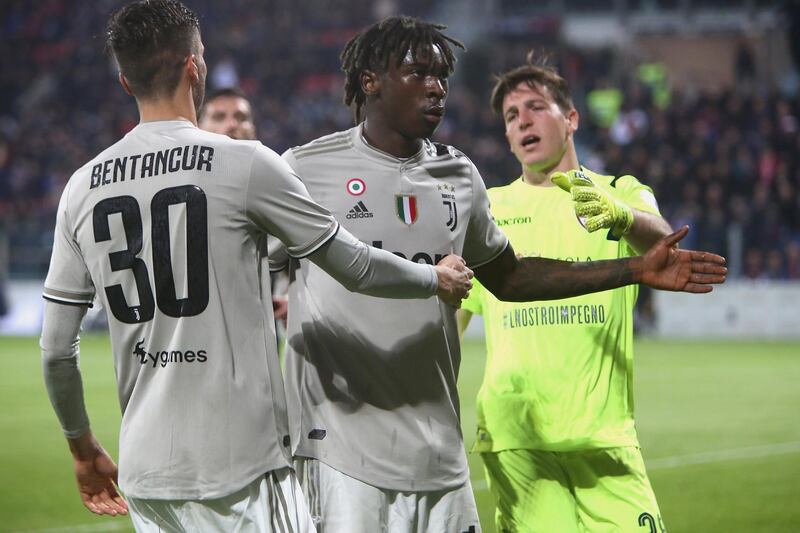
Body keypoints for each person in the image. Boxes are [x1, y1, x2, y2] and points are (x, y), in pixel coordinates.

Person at [276, 16, 726, 533]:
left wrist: (634, 268)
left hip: (438, 454)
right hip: (338, 452)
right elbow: (255, 273)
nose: (437, 88)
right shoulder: (305, 170)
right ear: (370, 81)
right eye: (419, 73)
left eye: (442, 75)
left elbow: (510, 279)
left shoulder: (459, 175)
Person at [39, 2, 472, 531]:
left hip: (148, 471)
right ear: (194, 67)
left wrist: (82, 449)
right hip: (243, 468)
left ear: (126, 81)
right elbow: (354, 265)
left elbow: (57, 351)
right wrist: (435, 277)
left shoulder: (81, 187)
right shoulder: (244, 164)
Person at [457, 55, 671, 532]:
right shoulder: (487, 210)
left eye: (535, 107)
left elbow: (663, 244)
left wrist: (621, 215)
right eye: (512, 117)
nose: (522, 121)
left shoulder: (620, 192)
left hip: (605, 436)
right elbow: (451, 317)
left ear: (570, 119)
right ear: (508, 138)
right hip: (518, 439)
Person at [199, 87, 289, 325]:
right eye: (219, 117)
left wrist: (294, 300)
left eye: (241, 118)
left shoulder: (277, 184)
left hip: (255, 335)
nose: (231, 125)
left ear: (253, 130)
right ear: (197, 128)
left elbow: (306, 252)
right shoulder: (178, 190)